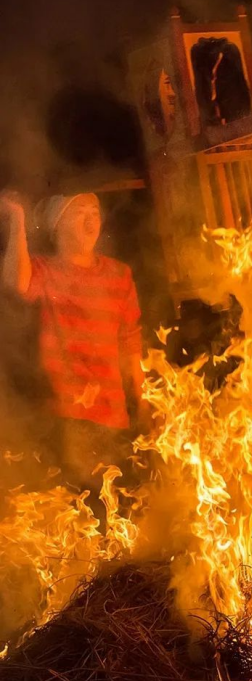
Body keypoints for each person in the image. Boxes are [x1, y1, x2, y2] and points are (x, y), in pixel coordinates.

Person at [0, 190, 149, 528]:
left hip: (113, 417)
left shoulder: (119, 275)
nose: (91, 218)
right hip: (66, 416)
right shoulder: (46, 270)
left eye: (94, 210)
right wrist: (19, 220)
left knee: (119, 516)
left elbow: (130, 340)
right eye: (79, 210)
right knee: (79, 516)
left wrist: (141, 401)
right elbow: (15, 283)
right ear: (57, 223)